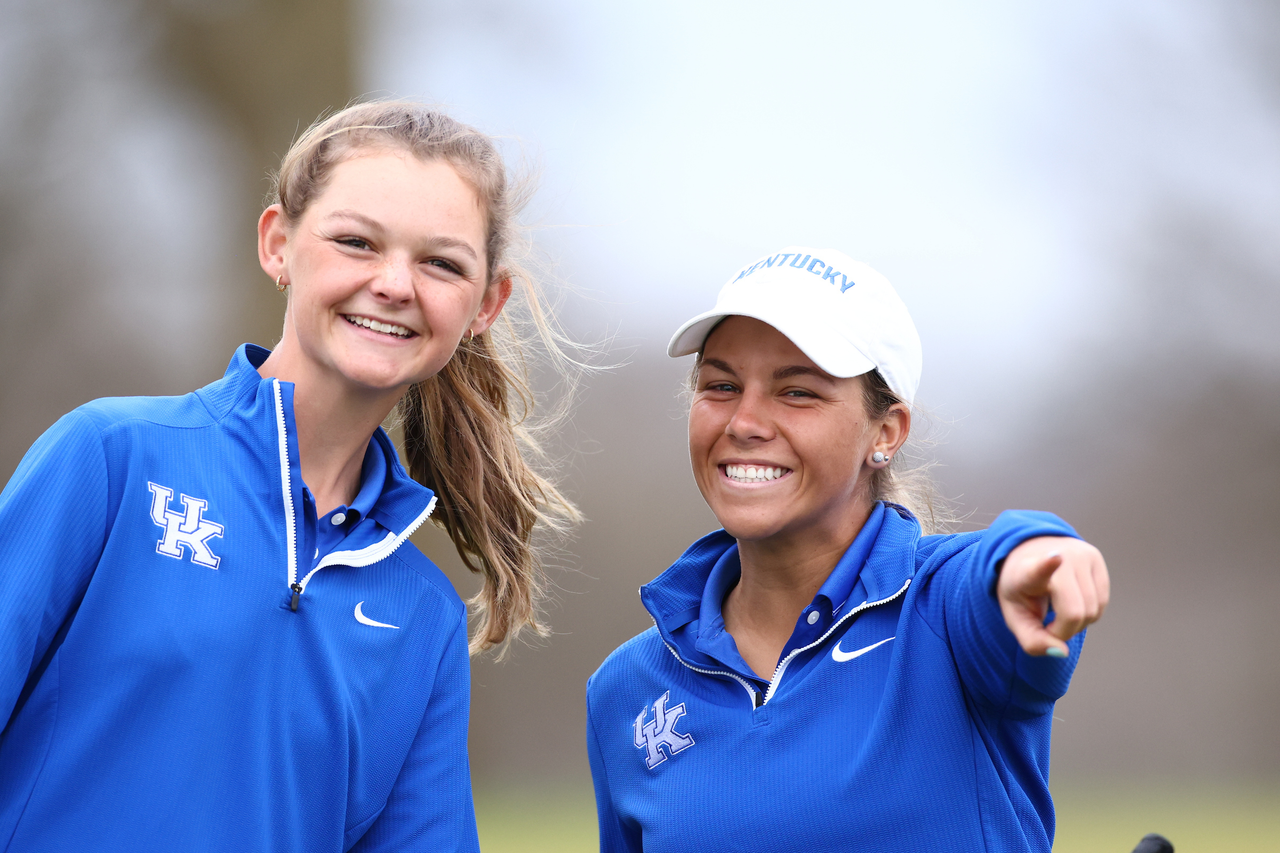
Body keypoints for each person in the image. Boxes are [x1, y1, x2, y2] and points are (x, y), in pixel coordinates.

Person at [0, 101, 577, 851]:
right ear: (278, 245)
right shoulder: (111, 459)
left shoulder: (423, 616)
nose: (395, 283)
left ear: (485, 305)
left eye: (441, 263)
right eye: (357, 242)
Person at [585, 246, 1109, 853]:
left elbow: (1003, 571)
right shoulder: (626, 688)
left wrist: (1038, 553)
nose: (744, 422)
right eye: (721, 386)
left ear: (885, 432)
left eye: (797, 392)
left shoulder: (944, 610)